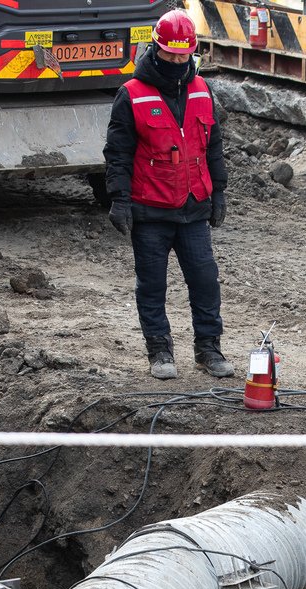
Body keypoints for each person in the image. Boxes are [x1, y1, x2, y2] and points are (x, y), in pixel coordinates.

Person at [103, 10, 234, 381]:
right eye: (171, 55)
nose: (178, 62)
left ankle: (208, 349)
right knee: (152, 284)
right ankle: (159, 350)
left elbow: (213, 146)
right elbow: (118, 153)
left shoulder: (202, 90)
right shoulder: (132, 94)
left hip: (193, 207)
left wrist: (219, 192)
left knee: (206, 281)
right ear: (156, 49)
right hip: (151, 210)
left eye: (184, 56)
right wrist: (119, 198)